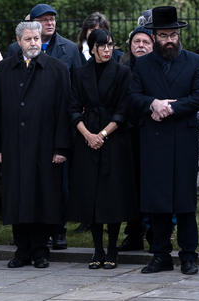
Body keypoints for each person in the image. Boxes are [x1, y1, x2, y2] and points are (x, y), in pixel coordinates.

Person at [130, 6, 199, 275]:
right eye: (163, 35)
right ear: (154, 37)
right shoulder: (142, 64)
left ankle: (189, 255)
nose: (169, 40)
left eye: (173, 34)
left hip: (183, 140)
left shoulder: (195, 62)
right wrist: (152, 103)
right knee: (157, 201)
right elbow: (132, 97)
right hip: (153, 142)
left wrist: (171, 108)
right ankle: (161, 254)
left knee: (184, 201)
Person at [0, 21, 71, 269]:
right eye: (28, 39)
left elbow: (64, 111)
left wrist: (61, 148)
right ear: (18, 40)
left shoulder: (57, 68)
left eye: (36, 38)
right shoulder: (3, 69)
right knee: (16, 198)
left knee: (43, 197)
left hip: (45, 147)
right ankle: (22, 250)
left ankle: (41, 250)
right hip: (13, 146)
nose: (33, 43)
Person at [66, 29, 138, 269]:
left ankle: (113, 248)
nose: (107, 50)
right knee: (92, 195)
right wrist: (87, 134)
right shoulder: (79, 73)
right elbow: (73, 106)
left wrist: (103, 134)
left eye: (110, 45)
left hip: (114, 139)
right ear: (92, 48)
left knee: (112, 195)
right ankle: (97, 249)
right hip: (87, 139)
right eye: (102, 46)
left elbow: (124, 108)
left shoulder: (123, 72)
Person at [116, 23, 153, 253]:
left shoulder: (158, 68)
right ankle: (134, 234)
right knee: (131, 186)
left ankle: (155, 234)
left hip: (152, 134)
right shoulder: (121, 68)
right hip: (127, 134)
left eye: (145, 42)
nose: (140, 46)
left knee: (152, 186)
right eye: (136, 42)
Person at [5, 4, 82, 74]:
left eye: (52, 19)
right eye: (44, 20)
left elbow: (77, 83)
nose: (49, 23)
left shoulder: (70, 48)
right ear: (32, 23)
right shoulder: (15, 48)